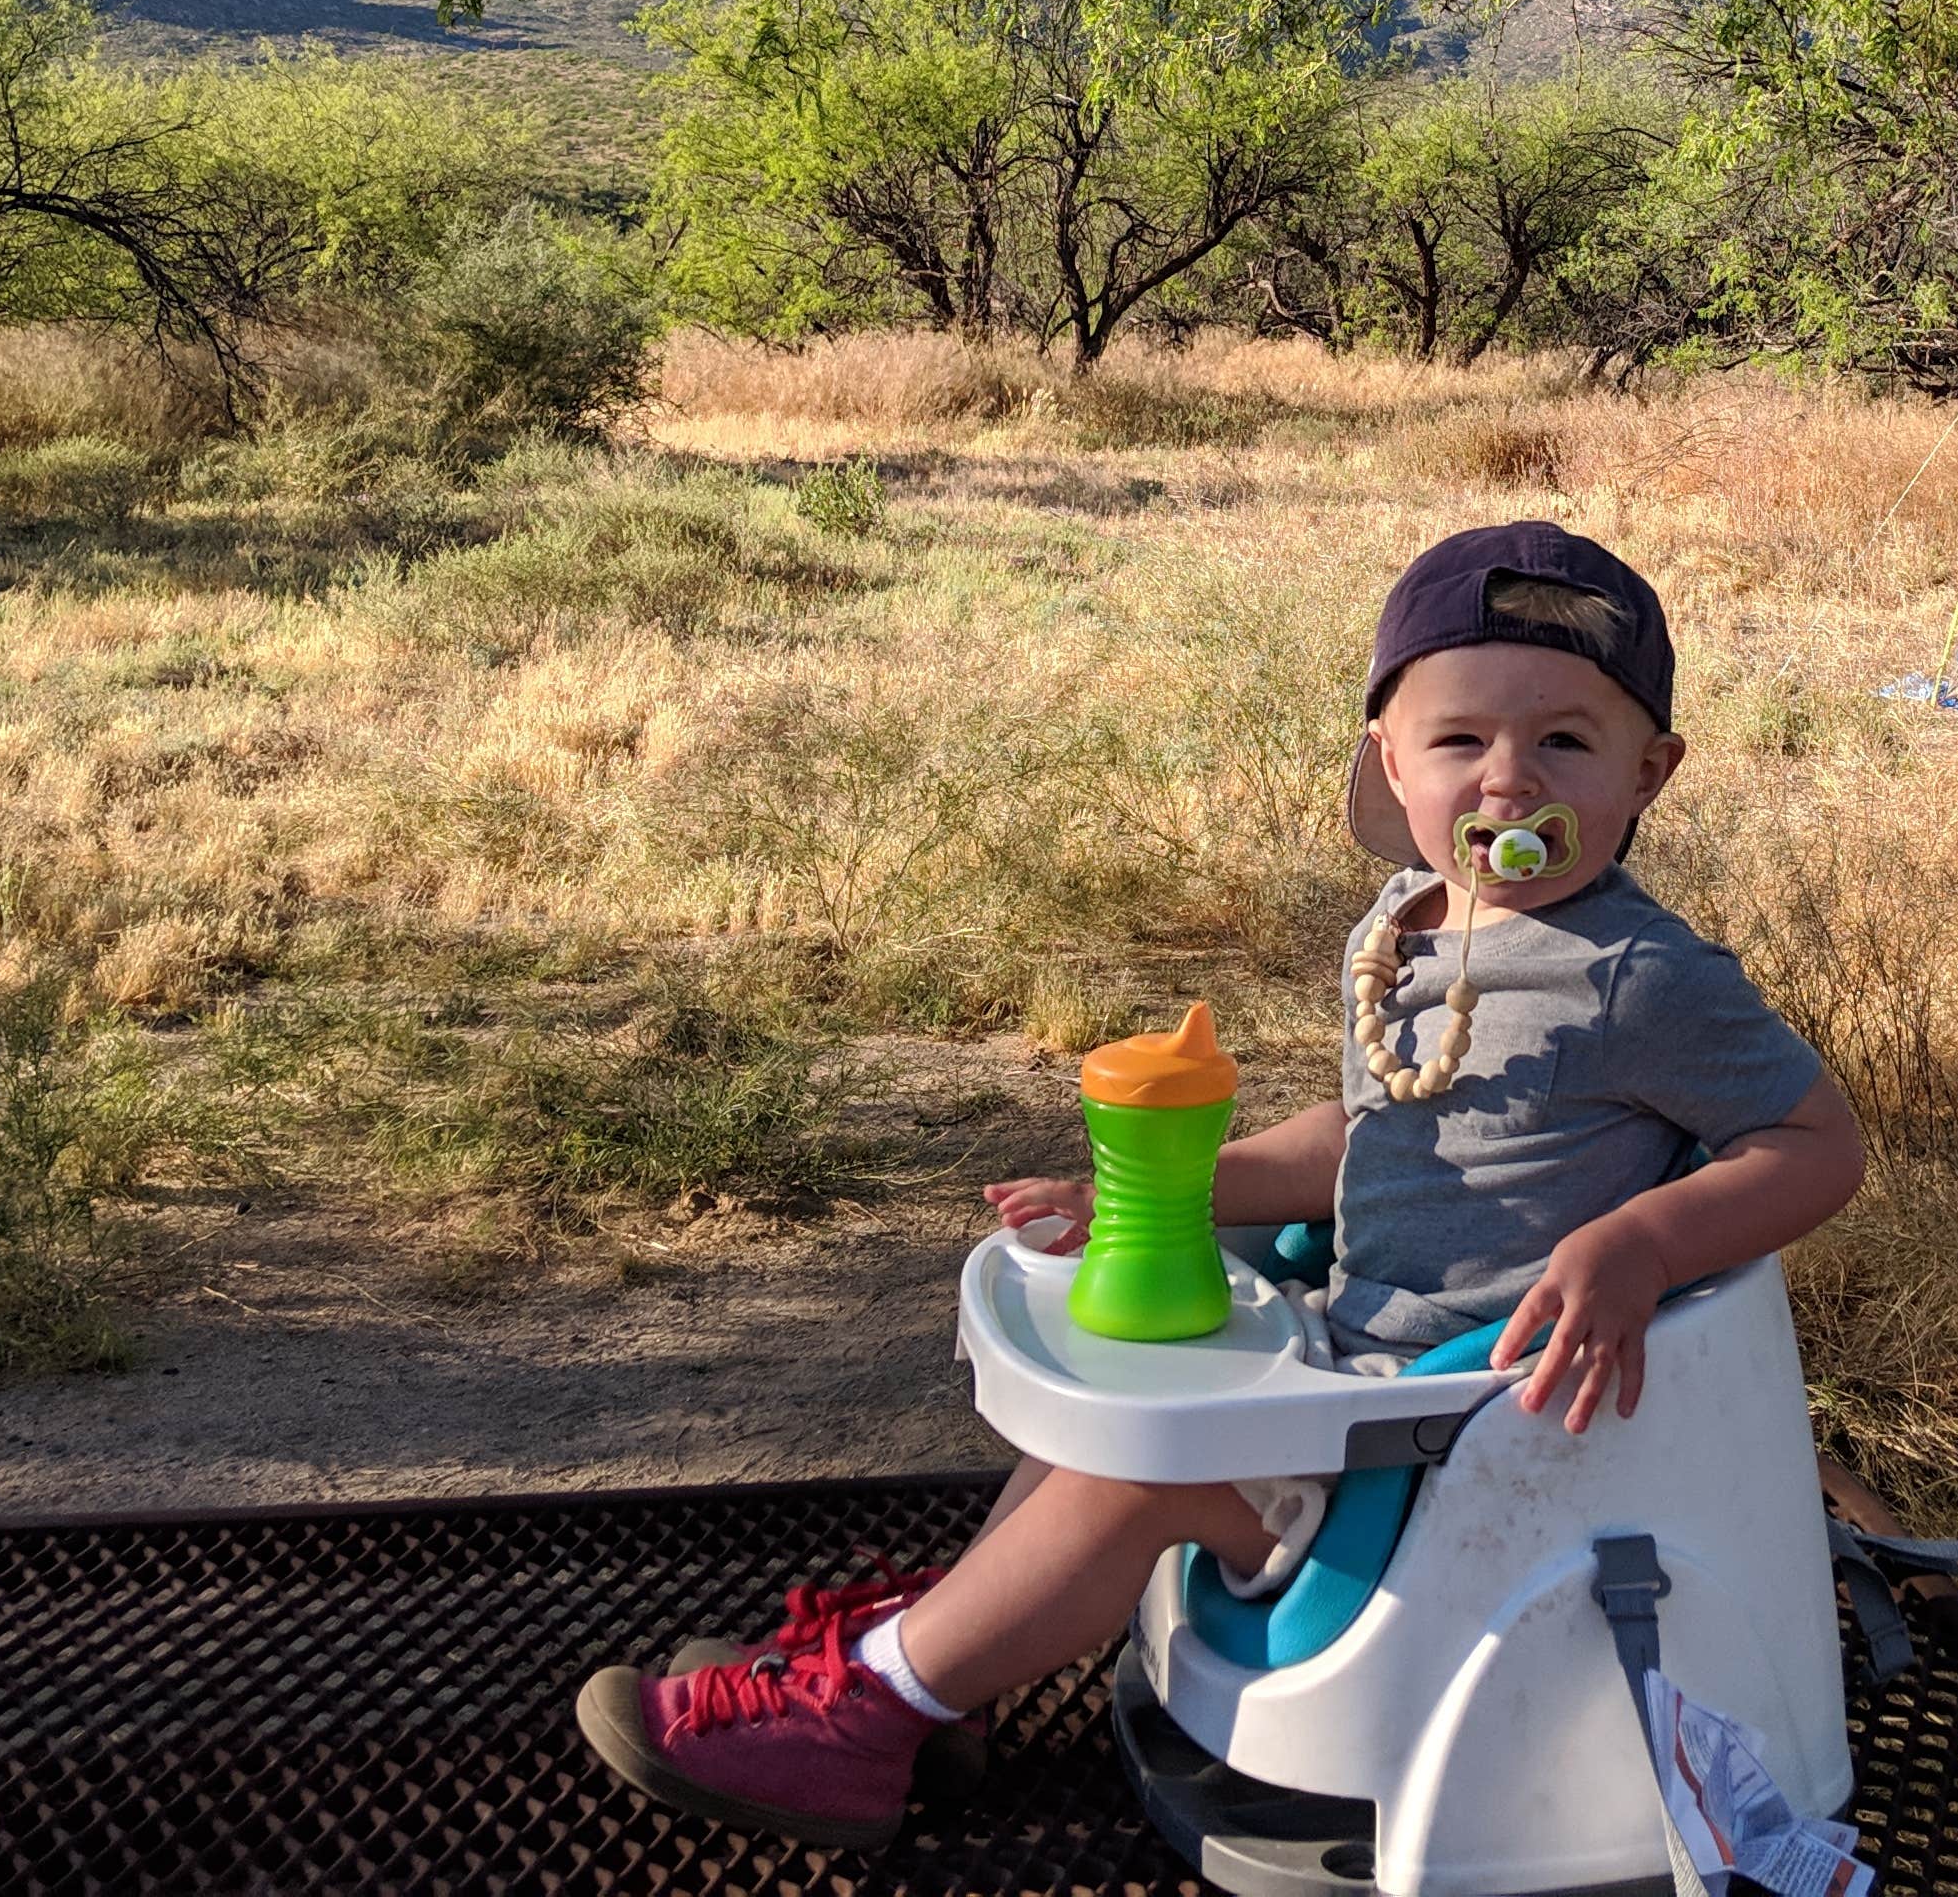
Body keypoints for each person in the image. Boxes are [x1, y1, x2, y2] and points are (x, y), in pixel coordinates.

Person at [575, 519, 1868, 1850]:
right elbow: (1370, 1138)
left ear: (1648, 772)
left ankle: (861, 1720)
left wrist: (1645, 1243)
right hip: (1364, 1378)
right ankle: (937, 1669)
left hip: (1476, 1428)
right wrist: (1165, 1204)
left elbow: (1818, 1144)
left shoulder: (1641, 979)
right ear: (1389, 762)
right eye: (1458, 740)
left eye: (1564, 743)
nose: (1505, 780)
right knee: (1106, 1413)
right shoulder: (1409, 924)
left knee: (1140, 1475)